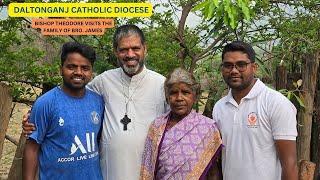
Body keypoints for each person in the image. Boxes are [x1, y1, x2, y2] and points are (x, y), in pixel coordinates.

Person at [23, 24, 168, 180]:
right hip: (108, 172)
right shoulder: (104, 81)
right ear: (115, 52)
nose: (130, 54)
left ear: (145, 48)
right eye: (123, 49)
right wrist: (33, 116)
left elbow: (177, 121)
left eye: (135, 48)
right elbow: (73, 93)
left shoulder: (162, 85)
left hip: (149, 172)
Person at [212, 41, 298, 180]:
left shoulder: (276, 103)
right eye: (228, 65)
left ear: (254, 67)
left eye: (241, 65)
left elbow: (290, 164)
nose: (234, 70)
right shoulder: (219, 107)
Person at [23, 42, 104, 180]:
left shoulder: (98, 101)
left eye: (85, 68)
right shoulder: (46, 103)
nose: (78, 72)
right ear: (61, 69)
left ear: (91, 71)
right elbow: (32, 149)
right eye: (71, 67)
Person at [140, 68, 222, 180]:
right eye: (173, 93)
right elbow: (147, 168)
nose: (179, 98)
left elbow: (213, 172)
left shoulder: (207, 128)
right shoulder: (157, 126)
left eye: (185, 92)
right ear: (167, 98)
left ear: (195, 96)